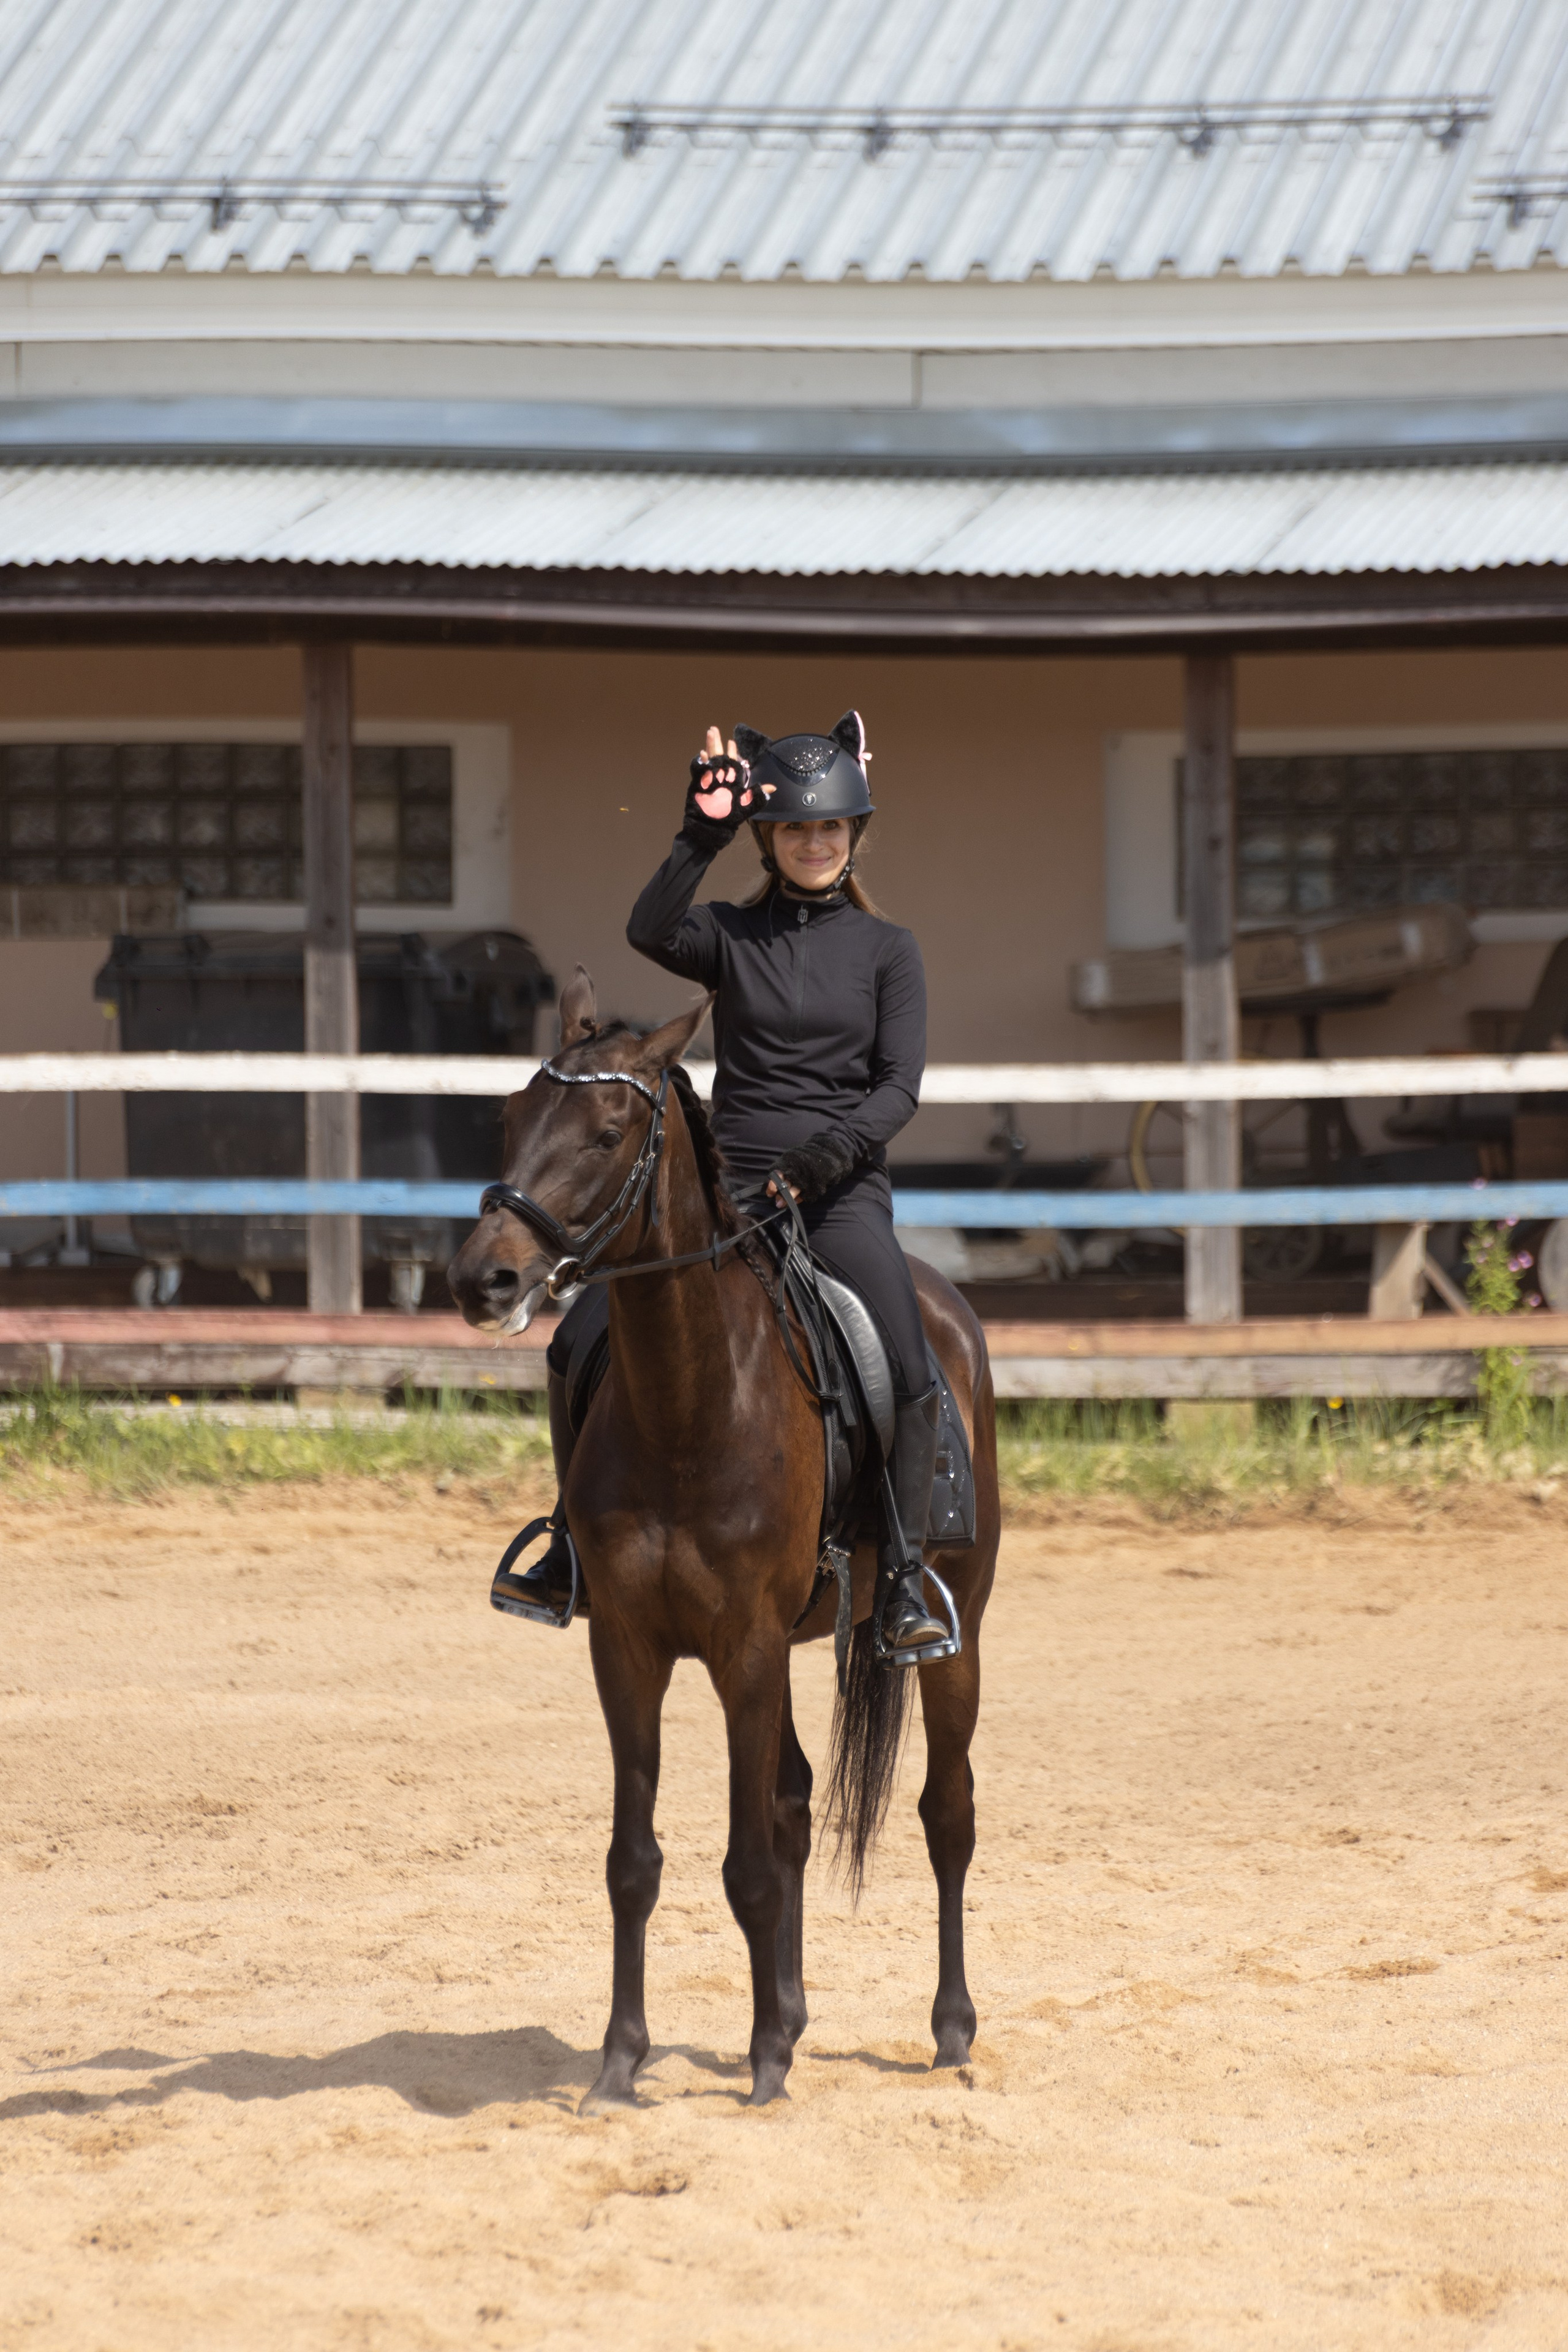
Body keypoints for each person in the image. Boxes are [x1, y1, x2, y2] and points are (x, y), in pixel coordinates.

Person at [493, 710, 947, 1659]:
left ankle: (903, 1577)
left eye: (830, 828)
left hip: (839, 1195)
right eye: (794, 828)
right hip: (729, 1192)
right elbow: (647, 926)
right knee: (579, 1338)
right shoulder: (732, 936)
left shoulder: (888, 950)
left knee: (908, 1361)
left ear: (853, 834)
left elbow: (897, 1088)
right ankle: (571, 1546)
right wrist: (698, 833)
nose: (814, 843)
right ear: (769, 839)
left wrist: (825, 1160)